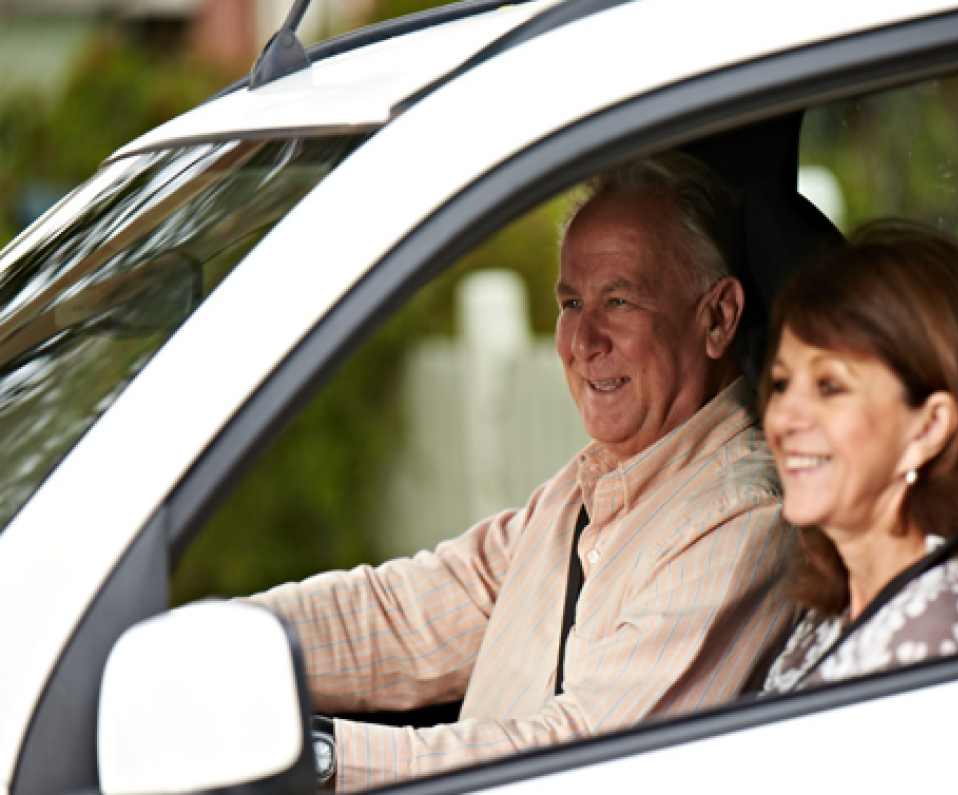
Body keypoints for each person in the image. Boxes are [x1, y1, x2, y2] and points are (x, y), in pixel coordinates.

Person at [248, 152, 800, 790]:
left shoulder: (741, 517)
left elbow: (574, 757)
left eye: (618, 300)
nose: (581, 341)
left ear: (718, 317)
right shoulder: (585, 493)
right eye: (571, 303)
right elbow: (399, 615)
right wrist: (218, 643)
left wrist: (320, 760)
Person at [758, 221, 958, 694]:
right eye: (783, 383)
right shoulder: (830, 619)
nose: (782, 418)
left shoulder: (951, 634)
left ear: (928, 429)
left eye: (830, 387)